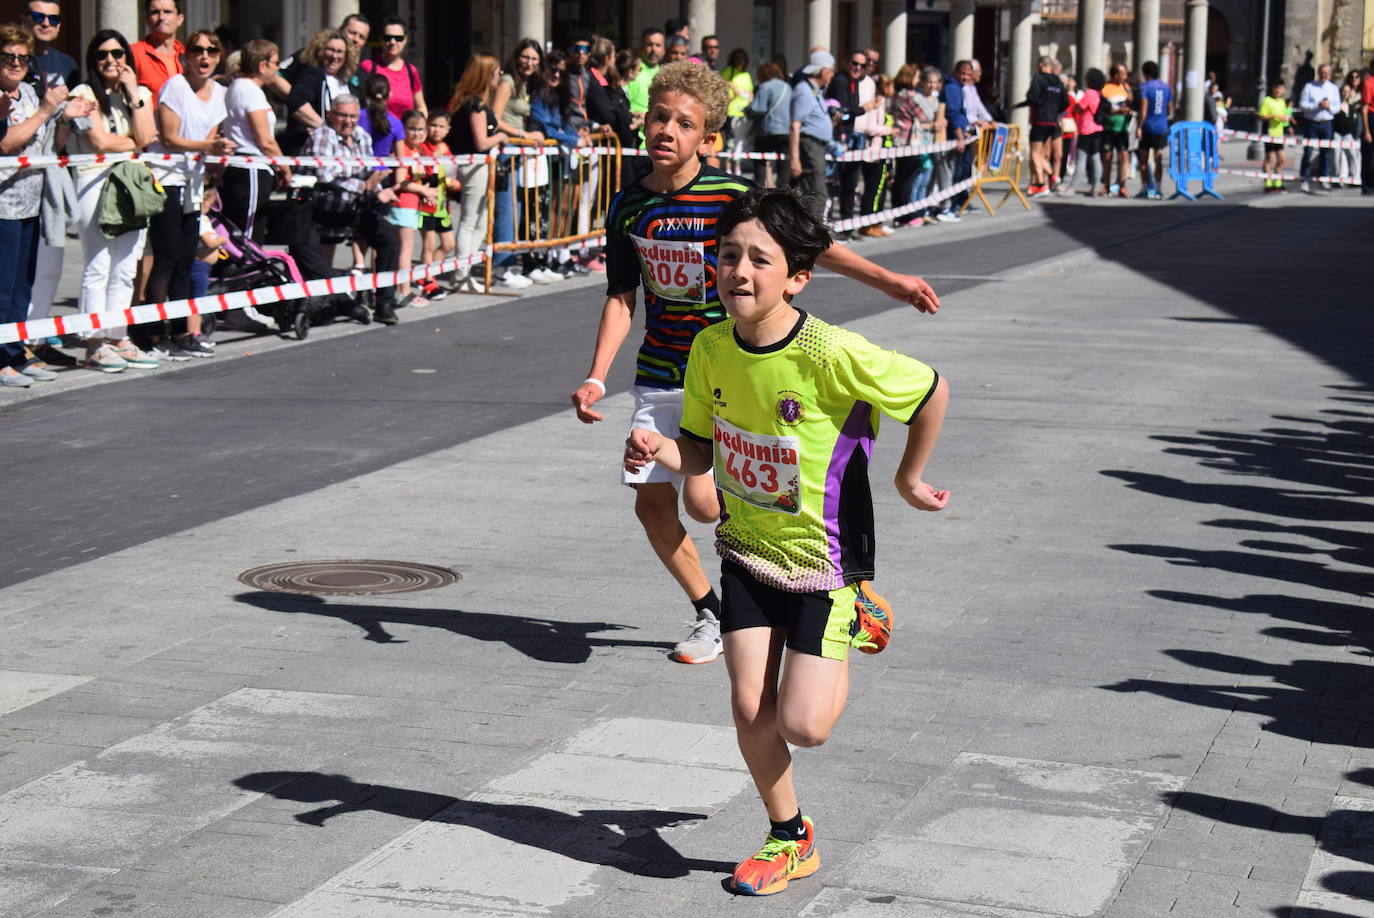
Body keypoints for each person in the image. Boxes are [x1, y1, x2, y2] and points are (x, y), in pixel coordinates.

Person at [622, 188, 949, 896]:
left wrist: (909, 478)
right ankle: (789, 836)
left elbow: (930, 392)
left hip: (824, 566)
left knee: (805, 727)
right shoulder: (709, 348)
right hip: (746, 552)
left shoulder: (831, 353)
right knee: (748, 708)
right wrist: (658, 451)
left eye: (758, 260)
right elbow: (702, 452)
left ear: (797, 276)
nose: (738, 270)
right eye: (728, 256)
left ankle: (857, 613)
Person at [570, 61, 942, 665]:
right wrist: (595, 376)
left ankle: (830, 587)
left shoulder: (731, 196)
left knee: (706, 503)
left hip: (731, 371)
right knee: (651, 506)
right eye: (657, 117)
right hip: (662, 373)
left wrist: (887, 279)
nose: (666, 129)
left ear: (708, 139)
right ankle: (710, 612)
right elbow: (620, 295)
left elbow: (808, 242)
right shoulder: (628, 206)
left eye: (682, 123)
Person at [1, 21, 91, 387]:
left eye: (22, 57)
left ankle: (15, 351)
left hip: (30, 202)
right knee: (3, 288)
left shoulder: (27, 92)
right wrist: (44, 111)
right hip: (2, 206)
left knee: (23, 286)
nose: (16, 63)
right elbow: (6, 144)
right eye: (8, 56)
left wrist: (65, 119)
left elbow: (49, 147)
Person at [68, 29, 160, 371]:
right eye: (103, 55)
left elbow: (148, 136)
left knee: (126, 266)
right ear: (93, 61)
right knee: (99, 264)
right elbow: (99, 142)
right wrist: (134, 140)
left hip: (132, 183)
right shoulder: (84, 93)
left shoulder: (139, 94)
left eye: (118, 54)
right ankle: (94, 342)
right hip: (95, 180)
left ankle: (118, 337)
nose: (111, 60)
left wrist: (134, 92)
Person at [138, 28, 229, 360]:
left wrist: (214, 163)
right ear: (185, 56)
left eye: (211, 50)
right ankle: (154, 334)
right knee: (165, 259)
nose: (204, 56)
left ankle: (182, 333)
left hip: (192, 182)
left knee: (185, 261)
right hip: (167, 180)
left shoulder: (219, 92)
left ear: (218, 56)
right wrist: (209, 146)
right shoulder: (175, 86)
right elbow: (171, 137)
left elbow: (212, 137)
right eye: (197, 50)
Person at [304, 93, 402, 324]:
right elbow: (325, 176)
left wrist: (378, 188)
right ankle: (332, 299)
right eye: (342, 116)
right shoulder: (323, 136)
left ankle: (385, 302)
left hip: (353, 206)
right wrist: (363, 185)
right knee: (306, 246)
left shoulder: (361, 136)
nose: (348, 121)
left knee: (389, 236)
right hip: (322, 208)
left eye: (353, 116)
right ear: (331, 114)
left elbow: (369, 172)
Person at [447, 52, 507, 293]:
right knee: (470, 219)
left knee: (480, 221)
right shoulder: (475, 105)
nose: (499, 77)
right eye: (496, 73)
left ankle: (466, 269)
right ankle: (461, 273)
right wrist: (501, 137)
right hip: (475, 166)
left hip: (479, 166)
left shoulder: (473, 103)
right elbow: (482, 142)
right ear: (486, 76)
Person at [221, 39, 290, 244]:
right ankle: (248, 274)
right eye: (275, 63)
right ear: (262, 65)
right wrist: (285, 168)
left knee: (243, 233)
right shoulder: (249, 90)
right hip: (250, 168)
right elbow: (265, 140)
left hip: (242, 168)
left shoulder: (238, 88)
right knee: (249, 237)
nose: (277, 68)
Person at [827, 50, 878, 235]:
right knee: (833, 183)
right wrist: (864, 108)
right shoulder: (840, 81)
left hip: (851, 136)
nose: (857, 68)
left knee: (850, 182)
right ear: (847, 62)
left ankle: (847, 226)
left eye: (862, 65)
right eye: (854, 63)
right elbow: (842, 114)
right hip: (837, 138)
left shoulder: (854, 81)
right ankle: (831, 227)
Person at [281, 30, 355, 156]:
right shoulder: (312, 75)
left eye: (340, 51)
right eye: (330, 50)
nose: (334, 56)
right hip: (311, 151)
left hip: (340, 153)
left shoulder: (347, 82)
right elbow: (296, 102)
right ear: (320, 51)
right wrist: (324, 128)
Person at [390, 109, 438, 307]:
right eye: (411, 129)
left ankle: (397, 289)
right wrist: (423, 190)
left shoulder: (420, 151)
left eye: (420, 129)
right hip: (403, 204)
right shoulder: (403, 150)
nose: (417, 133)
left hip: (412, 204)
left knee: (402, 248)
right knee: (405, 249)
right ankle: (405, 291)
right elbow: (401, 180)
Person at [789, 50, 834, 219]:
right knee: (815, 190)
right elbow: (795, 125)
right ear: (822, 71)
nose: (832, 75)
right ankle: (811, 230)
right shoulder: (804, 91)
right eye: (830, 71)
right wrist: (795, 158)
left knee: (816, 189)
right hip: (810, 144)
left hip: (817, 144)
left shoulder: (814, 90)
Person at [418, 110, 459, 292]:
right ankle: (428, 279)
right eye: (433, 125)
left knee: (449, 243)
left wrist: (454, 185)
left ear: (448, 129)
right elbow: (424, 170)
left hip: (443, 206)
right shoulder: (422, 147)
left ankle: (429, 271)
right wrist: (436, 154)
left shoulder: (447, 149)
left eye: (441, 126)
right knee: (429, 243)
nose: (436, 130)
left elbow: (452, 175)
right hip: (426, 205)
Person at [360, 16, 426, 120]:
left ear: (405, 40)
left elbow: (421, 106)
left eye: (398, 38)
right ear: (381, 39)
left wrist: (420, 129)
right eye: (388, 38)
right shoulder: (368, 67)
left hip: (404, 134)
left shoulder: (411, 71)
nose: (393, 42)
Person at [934, 60, 974, 222]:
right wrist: (960, 137)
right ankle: (946, 207)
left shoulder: (958, 88)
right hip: (951, 138)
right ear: (955, 72)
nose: (965, 77)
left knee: (957, 173)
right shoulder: (952, 88)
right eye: (962, 73)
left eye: (968, 74)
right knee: (950, 174)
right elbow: (953, 114)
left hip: (959, 135)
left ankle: (950, 205)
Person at [1026, 56, 1067, 196]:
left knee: (1035, 154)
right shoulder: (1058, 82)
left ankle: (1042, 184)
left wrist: (1039, 103)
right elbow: (1065, 103)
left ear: (1042, 65)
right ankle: (1051, 178)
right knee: (1045, 154)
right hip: (1053, 121)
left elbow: (1032, 97)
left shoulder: (1038, 78)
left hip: (1040, 120)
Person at [749, 61, 791, 187]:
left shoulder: (765, 86)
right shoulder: (787, 87)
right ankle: (783, 190)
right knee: (784, 163)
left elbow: (759, 108)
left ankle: (759, 188)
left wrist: (747, 109)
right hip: (786, 130)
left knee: (759, 159)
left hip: (768, 130)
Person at [130, 0, 183, 99]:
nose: (161, 17)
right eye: (155, 12)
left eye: (167, 12)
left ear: (179, 19)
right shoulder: (134, 53)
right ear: (146, 19)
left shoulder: (188, 56)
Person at [1062, 69, 1103, 195]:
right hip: (1097, 128)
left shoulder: (1089, 93)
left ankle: (1072, 188)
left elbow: (1078, 108)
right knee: (1096, 158)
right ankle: (1095, 187)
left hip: (1086, 129)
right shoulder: (1098, 93)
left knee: (1081, 159)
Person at [1135, 60, 1172, 199]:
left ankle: (1144, 188)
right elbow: (1169, 109)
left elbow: (1143, 110)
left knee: (1143, 159)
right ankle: (1158, 188)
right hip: (1161, 126)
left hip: (1147, 127)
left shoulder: (1145, 87)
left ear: (1145, 73)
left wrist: (1139, 126)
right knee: (1158, 158)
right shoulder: (1166, 87)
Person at [25, 0, 78, 90]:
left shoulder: (68, 63)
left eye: (53, 19)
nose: (46, 24)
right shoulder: (12, 60)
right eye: (38, 17)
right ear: (24, 20)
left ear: (58, 26)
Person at [1100, 63, 1133, 196]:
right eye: (1123, 73)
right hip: (1108, 127)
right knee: (1107, 157)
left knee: (1124, 155)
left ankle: (1122, 185)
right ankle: (1106, 186)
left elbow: (1132, 103)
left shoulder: (1126, 87)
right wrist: (1118, 111)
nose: (1125, 76)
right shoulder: (1105, 89)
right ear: (1115, 75)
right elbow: (1102, 112)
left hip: (1123, 128)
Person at [1258, 78, 1292, 193]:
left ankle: (1277, 181)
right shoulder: (1267, 100)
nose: (1278, 90)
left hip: (1279, 134)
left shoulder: (1282, 102)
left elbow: (1284, 117)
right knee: (1268, 158)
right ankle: (1268, 182)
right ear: (1272, 89)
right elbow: (1262, 116)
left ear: (1283, 90)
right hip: (1269, 133)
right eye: (1276, 88)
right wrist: (1273, 115)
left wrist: (1288, 125)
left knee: (1282, 159)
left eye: (1280, 88)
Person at [623, 27, 663, 116]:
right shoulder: (632, 71)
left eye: (658, 45)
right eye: (649, 44)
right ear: (642, 46)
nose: (653, 49)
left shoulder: (664, 73)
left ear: (664, 49)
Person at [721, 48, 754, 155]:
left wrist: (738, 92)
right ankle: (728, 168)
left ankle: (737, 168)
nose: (740, 60)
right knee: (730, 143)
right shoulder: (728, 71)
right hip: (731, 112)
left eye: (742, 58)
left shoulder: (746, 75)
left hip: (743, 113)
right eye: (737, 58)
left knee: (741, 144)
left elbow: (750, 95)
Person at [1335, 69, 1362, 186]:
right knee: (1339, 154)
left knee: (1354, 153)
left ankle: (1355, 176)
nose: (1354, 79)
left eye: (1357, 77)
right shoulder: (1339, 101)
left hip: (1355, 127)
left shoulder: (1361, 93)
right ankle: (1340, 177)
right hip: (1341, 130)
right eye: (1352, 77)